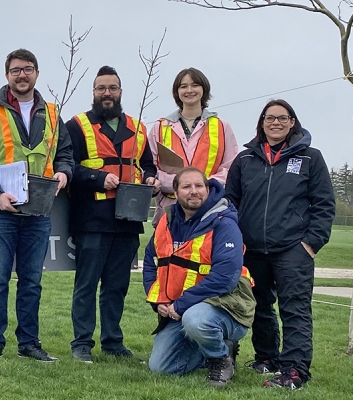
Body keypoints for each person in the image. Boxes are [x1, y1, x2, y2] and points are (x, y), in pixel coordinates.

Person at [0, 48, 74, 362]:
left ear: (37, 73)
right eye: (15, 70)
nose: (22, 75)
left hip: (39, 210)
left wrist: (64, 173)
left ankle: (29, 343)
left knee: (32, 281)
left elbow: (65, 154)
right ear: (7, 76)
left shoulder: (54, 114)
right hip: (0, 210)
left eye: (27, 69)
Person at [225, 99, 335, 390]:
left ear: (292, 123)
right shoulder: (245, 160)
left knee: (294, 309)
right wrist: (234, 240)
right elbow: (231, 202)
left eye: (282, 118)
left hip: (293, 250)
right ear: (261, 123)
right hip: (252, 249)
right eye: (269, 118)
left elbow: (324, 205)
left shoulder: (311, 158)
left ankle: (295, 371)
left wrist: (311, 244)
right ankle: (267, 358)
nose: (276, 123)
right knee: (258, 306)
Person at [66, 66, 159, 363]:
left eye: (112, 88)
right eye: (101, 88)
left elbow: (149, 164)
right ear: (93, 92)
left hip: (128, 220)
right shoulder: (77, 125)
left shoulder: (138, 127)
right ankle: (81, 343)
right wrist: (97, 178)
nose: (107, 93)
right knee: (87, 284)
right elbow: (67, 166)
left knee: (117, 285)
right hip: (92, 217)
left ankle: (113, 341)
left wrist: (150, 179)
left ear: (120, 92)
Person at [143, 167, 256, 388]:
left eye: (199, 186)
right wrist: (159, 302)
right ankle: (211, 348)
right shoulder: (167, 221)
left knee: (196, 321)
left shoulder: (224, 222)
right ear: (175, 193)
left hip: (228, 306)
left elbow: (225, 277)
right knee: (160, 367)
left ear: (207, 188)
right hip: (182, 308)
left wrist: (181, 304)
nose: (194, 191)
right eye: (186, 186)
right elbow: (150, 261)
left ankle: (221, 359)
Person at [148, 67, 238, 227]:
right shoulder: (160, 127)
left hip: (210, 211)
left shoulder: (222, 127)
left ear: (204, 89)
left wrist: (203, 185)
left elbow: (231, 168)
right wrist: (176, 183)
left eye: (195, 85)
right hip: (168, 212)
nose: (189, 90)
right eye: (183, 86)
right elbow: (150, 167)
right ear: (177, 92)